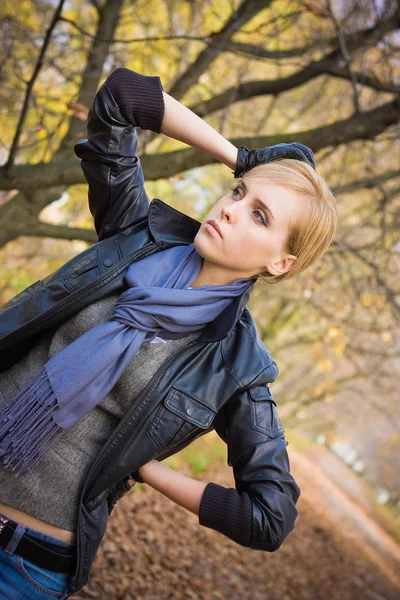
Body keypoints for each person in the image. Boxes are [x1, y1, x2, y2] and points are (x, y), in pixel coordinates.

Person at [0, 67, 339, 599]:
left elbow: (269, 517)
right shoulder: (139, 236)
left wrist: (143, 469)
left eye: (258, 215)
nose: (229, 210)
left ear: (281, 263)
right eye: (237, 192)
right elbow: (121, 97)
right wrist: (245, 158)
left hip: (24, 567)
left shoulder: (236, 367)